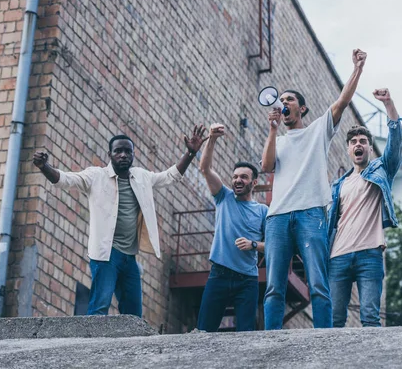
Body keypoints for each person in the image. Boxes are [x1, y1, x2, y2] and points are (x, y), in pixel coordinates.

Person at [32, 126, 208, 317]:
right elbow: (65, 180)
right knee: (100, 306)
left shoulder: (141, 177)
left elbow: (170, 176)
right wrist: (44, 167)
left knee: (134, 314)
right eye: (118, 151)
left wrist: (191, 153)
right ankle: (91, 344)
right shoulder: (96, 176)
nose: (123, 155)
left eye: (127, 151)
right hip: (106, 255)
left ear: (133, 154)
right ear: (110, 154)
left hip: (129, 257)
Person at [260, 49, 368, 329]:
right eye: (281, 100)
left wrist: (357, 68)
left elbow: (343, 101)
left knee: (318, 282)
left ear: (302, 108)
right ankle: (270, 340)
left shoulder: (319, 129)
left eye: (289, 100)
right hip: (278, 217)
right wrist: (272, 130)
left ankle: (323, 339)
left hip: (311, 214)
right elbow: (266, 165)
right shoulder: (279, 140)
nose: (283, 103)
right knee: (274, 286)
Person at [327, 88, 402, 327]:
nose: (358, 145)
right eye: (353, 142)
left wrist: (388, 104)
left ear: (370, 149)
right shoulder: (338, 185)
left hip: (369, 253)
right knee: (334, 320)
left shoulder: (382, 170)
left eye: (363, 142)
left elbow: (395, 144)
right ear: (349, 149)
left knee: (370, 318)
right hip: (337, 255)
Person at [196, 123, 268, 332]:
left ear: (253, 183)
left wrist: (253, 244)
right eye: (235, 176)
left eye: (243, 177)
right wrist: (212, 139)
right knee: (204, 331)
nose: (237, 180)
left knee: (246, 333)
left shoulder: (262, 211)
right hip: (219, 274)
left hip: (247, 280)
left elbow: (273, 245)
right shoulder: (224, 197)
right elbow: (205, 169)